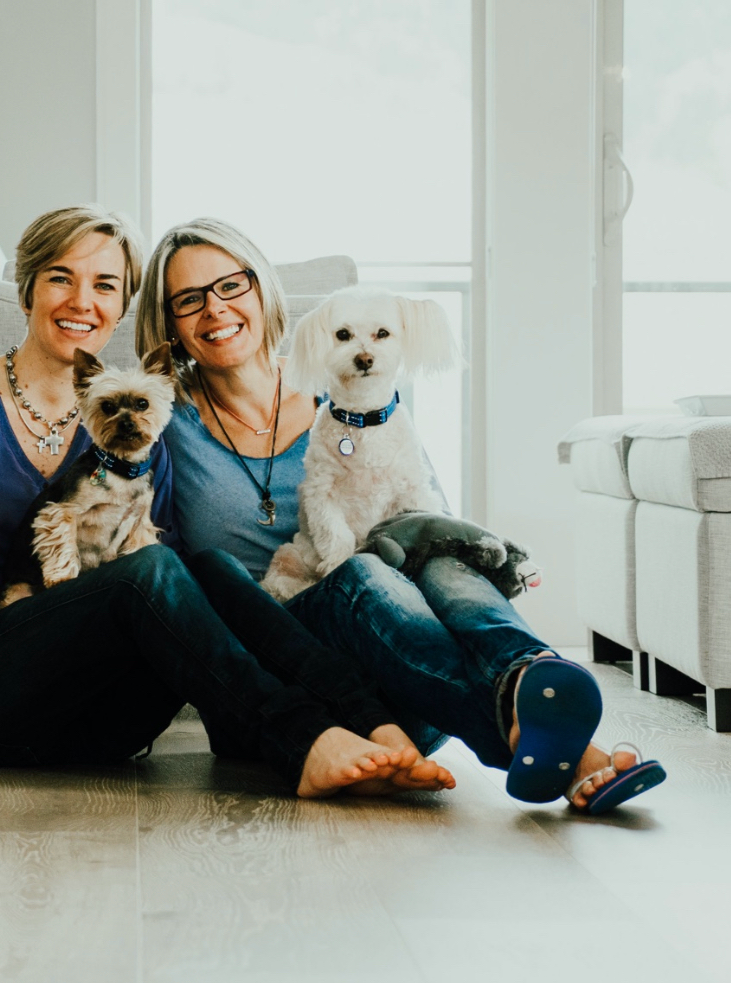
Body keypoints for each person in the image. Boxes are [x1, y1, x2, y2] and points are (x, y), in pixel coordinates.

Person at [0, 205, 456, 799]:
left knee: (205, 567)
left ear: (121, 308)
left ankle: (367, 720)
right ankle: (307, 738)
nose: (81, 300)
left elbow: (165, 577)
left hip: (107, 715)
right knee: (154, 570)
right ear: (26, 289)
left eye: (105, 285)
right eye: (60, 277)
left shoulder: (140, 424)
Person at [134, 217, 665, 813]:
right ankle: (564, 752)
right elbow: (162, 569)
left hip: (406, 675)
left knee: (437, 550)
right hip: (291, 678)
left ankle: (526, 675)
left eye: (231, 285)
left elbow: (424, 519)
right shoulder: (157, 419)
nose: (215, 309)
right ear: (170, 324)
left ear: (261, 291)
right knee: (356, 573)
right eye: (189, 299)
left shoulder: (358, 388)